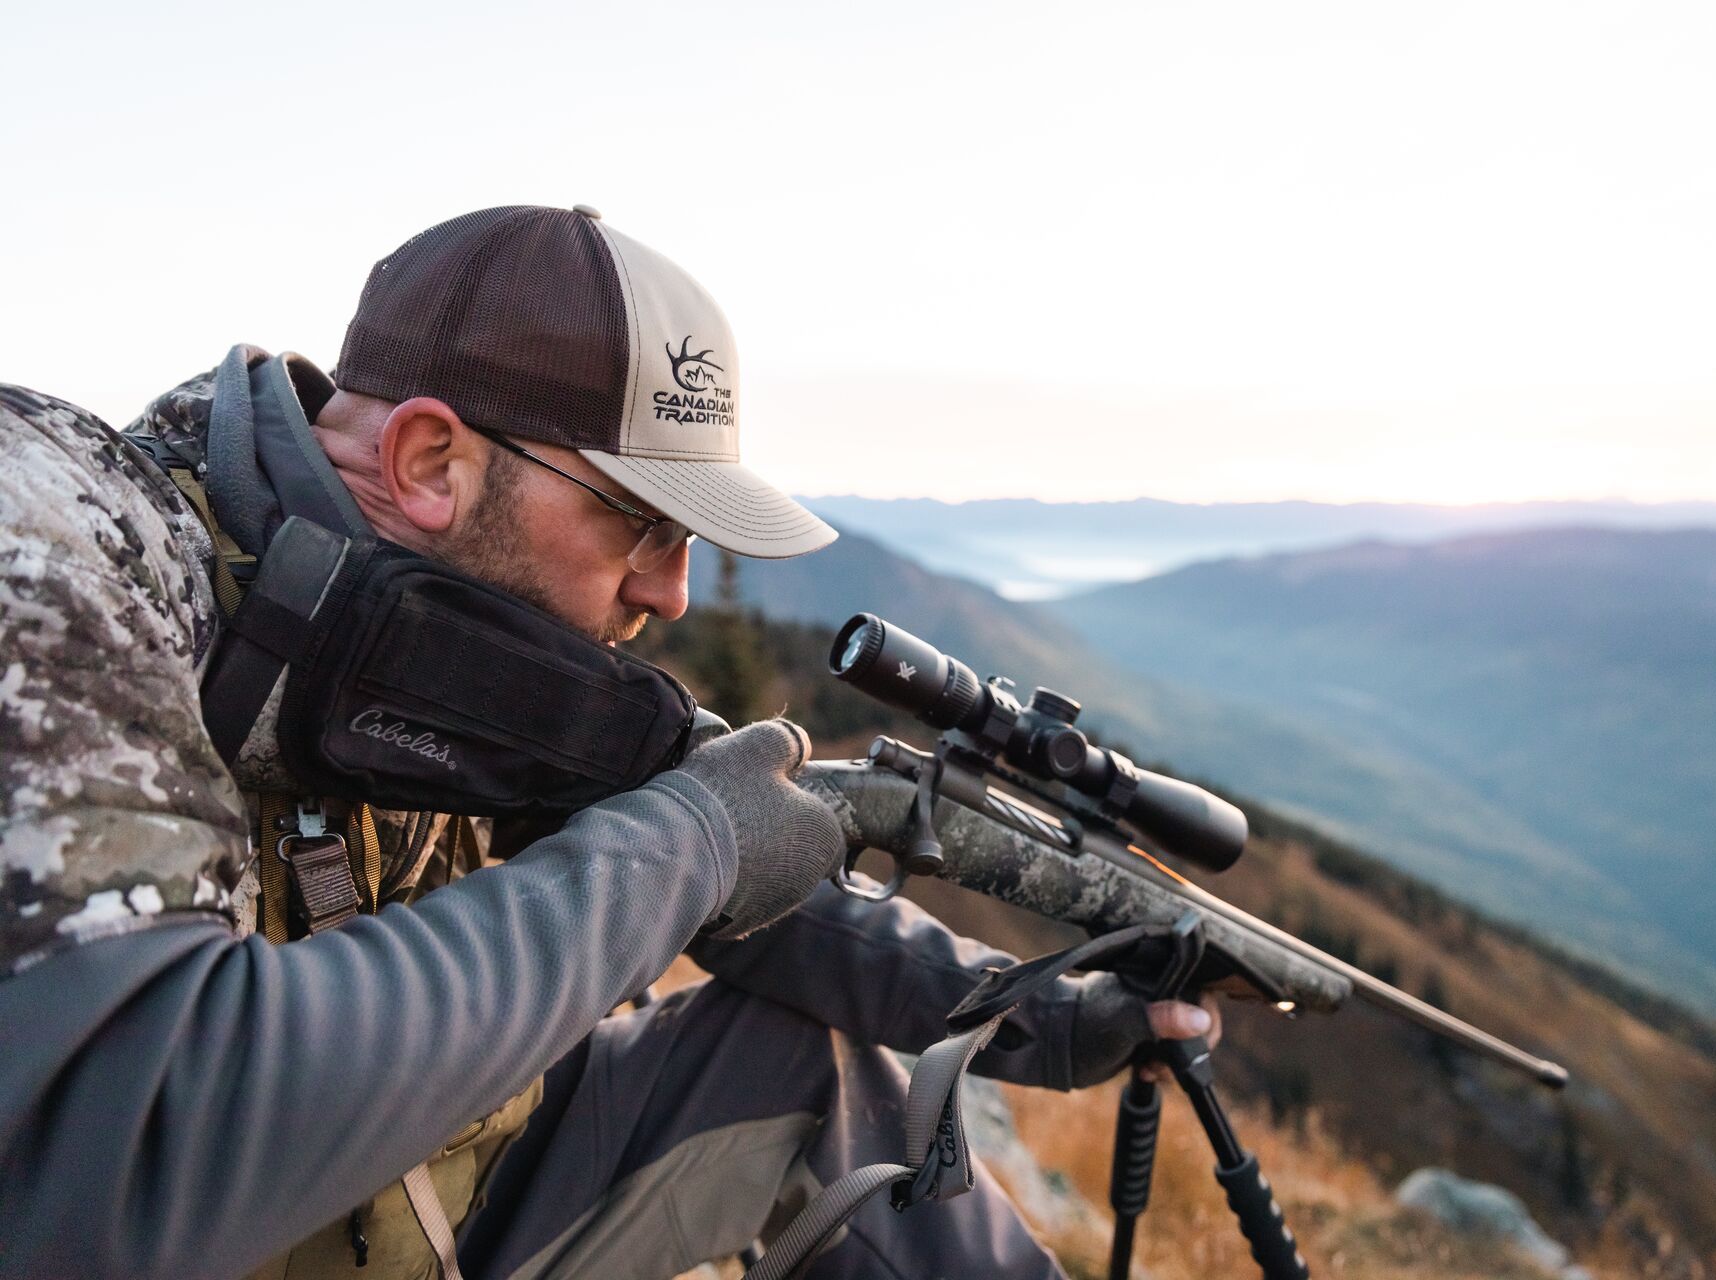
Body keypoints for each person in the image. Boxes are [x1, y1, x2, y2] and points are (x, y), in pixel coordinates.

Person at [0, 204, 1217, 1280]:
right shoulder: (61, 551)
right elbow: (128, 1145)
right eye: (640, 523)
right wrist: (676, 848)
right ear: (432, 462)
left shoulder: (452, 618)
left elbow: (759, 855)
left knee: (803, 1069)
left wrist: (1046, 1014)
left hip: (437, 1204)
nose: (675, 592)